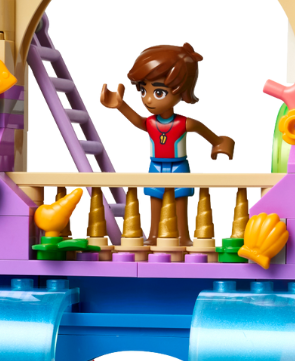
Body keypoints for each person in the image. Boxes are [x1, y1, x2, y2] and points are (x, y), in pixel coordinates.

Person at [99, 43, 234, 244]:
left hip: (179, 166)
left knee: (180, 202)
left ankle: (184, 237)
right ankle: (154, 235)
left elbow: (202, 129)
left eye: (158, 92)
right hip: (155, 165)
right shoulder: (151, 123)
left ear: (181, 91)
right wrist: (121, 105)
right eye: (143, 90)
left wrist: (218, 143)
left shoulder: (183, 123)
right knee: (155, 200)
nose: (148, 99)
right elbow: (137, 121)